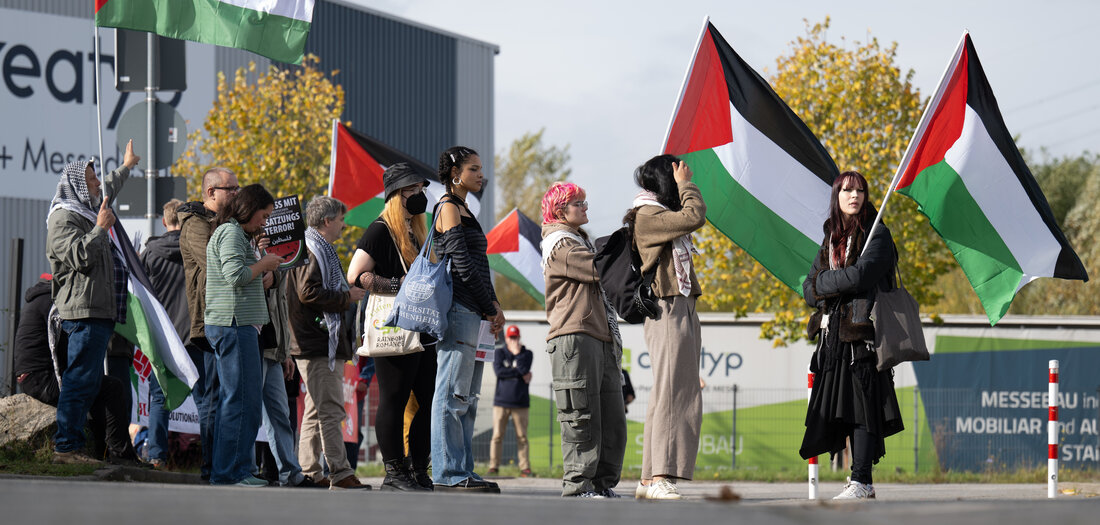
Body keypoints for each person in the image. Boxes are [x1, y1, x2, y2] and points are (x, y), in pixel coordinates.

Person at [799, 170, 904, 500]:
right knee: (843, 410)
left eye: (859, 190)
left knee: (864, 409)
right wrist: (822, 284)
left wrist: (822, 283)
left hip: (863, 338)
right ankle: (864, 483)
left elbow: (859, 277)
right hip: (833, 341)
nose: (854, 195)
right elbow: (807, 290)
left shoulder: (878, 234)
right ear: (837, 196)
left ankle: (860, 480)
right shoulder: (831, 238)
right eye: (846, 190)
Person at [45, 141, 140, 465]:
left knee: (91, 381)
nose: (98, 183)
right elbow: (80, 256)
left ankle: (76, 445)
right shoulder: (62, 219)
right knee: (79, 379)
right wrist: (100, 228)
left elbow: (108, 186)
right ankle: (66, 447)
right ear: (75, 186)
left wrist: (127, 165)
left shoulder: (86, 210)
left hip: (98, 311)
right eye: (91, 179)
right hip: (83, 311)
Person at [346, 162, 436, 492]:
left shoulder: (418, 230)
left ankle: (417, 468)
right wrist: (400, 285)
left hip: (424, 326)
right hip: (395, 326)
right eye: (413, 190)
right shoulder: (380, 229)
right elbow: (356, 276)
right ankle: (394, 472)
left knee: (427, 398)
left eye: (421, 190)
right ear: (396, 194)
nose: (419, 196)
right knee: (394, 399)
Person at [540, 181, 627, 498]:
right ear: (561, 210)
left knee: (612, 418)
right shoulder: (559, 244)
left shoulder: (580, 241)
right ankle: (578, 487)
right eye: (580, 203)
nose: (586, 208)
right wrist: (630, 239)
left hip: (600, 337)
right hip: (574, 337)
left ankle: (602, 485)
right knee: (581, 415)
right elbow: (599, 269)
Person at [629, 155, 706, 500]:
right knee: (673, 393)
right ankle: (660, 476)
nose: (684, 176)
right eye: (676, 173)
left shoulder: (658, 215)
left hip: (681, 304)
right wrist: (686, 184)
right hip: (667, 305)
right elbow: (694, 216)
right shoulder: (648, 215)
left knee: (673, 391)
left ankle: (649, 479)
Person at [431, 146, 504, 493]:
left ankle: (463, 469)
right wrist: (488, 306)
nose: (480, 174)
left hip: (475, 310)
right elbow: (461, 263)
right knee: (450, 393)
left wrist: (493, 304)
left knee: (468, 396)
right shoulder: (447, 207)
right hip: (460, 308)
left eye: (480, 168)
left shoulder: (465, 210)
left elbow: (480, 264)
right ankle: (447, 473)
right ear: (455, 173)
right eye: (474, 169)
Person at [14, 274, 143, 466]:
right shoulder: (52, 303)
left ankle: (107, 452)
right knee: (109, 388)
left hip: (34, 376)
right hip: (41, 378)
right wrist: (77, 383)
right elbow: (58, 349)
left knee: (98, 386)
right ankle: (118, 454)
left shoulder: (40, 299)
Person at [288, 195, 370, 491]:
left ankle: (310, 471)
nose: (343, 226)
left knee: (315, 408)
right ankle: (340, 472)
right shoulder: (312, 249)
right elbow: (307, 293)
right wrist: (346, 297)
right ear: (327, 221)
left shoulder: (311, 247)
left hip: (315, 340)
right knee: (331, 408)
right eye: (340, 220)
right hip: (316, 341)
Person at [204, 183, 283, 487]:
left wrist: (260, 263)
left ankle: (234, 470)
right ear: (249, 209)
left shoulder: (234, 233)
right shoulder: (231, 233)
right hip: (234, 325)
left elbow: (240, 276)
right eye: (263, 216)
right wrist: (263, 263)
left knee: (240, 400)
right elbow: (234, 275)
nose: (264, 222)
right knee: (240, 401)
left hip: (238, 324)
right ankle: (231, 472)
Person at [178, 167, 240, 479]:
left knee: (229, 396)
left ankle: (226, 466)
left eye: (238, 188)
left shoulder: (223, 224)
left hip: (229, 318)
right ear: (211, 193)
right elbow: (218, 265)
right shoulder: (195, 225)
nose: (236, 194)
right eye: (230, 189)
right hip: (210, 321)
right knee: (215, 399)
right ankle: (212, 468)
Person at [256, 243, 316, 488]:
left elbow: (281, 310)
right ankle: (244, 469)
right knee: (247, 411)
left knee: (280, 414)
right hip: (255, 342)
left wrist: (286, 352)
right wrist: (261, 264)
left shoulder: (279, 265)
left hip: (273, 348)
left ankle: (290, 472)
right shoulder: (244, 243)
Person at [140, 199, 191, 468]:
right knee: (206, 397)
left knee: (159, 396)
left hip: (161, 334)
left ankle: (157, 455)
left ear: (164, 221)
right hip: (193, 332)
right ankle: (212, 460)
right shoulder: (196, 249)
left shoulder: (149, 253)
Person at [488, 325, 533, 477]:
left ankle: (525, 468)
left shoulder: (527, 354)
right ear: (506, 338)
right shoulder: (499, 352)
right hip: (501, 401)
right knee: (497, 436)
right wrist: (519, 373)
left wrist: (517, 354)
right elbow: (499, 372)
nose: (513, 340)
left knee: (522, 437)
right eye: (511, 337)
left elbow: (523, 368)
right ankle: (493, 466)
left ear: (519, 338)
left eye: (515, 337)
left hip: (520, 403)